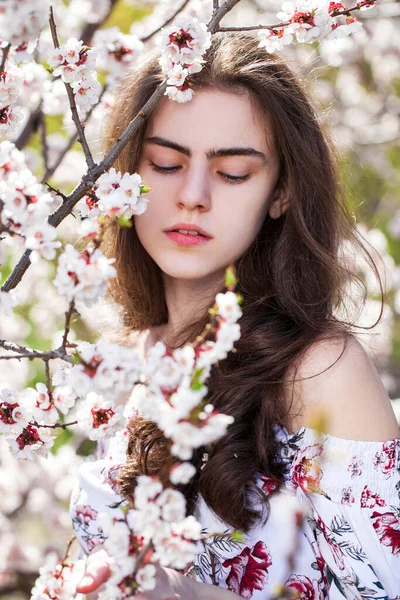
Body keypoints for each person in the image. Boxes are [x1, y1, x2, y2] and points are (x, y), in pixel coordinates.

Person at [70, 33, 400, 599]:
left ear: (281, 193)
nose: (193, 195)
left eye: (232, 173)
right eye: (167, 163)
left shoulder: (319, 369)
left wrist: (179, 593)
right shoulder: (120, 366)